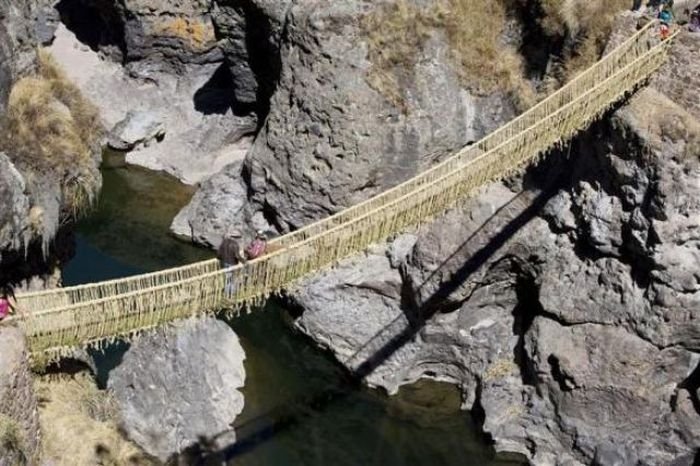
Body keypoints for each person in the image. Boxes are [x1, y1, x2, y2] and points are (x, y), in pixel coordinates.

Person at [218, 231, 246, 298]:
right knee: (232, 279)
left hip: (225, 263)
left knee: (227, 278)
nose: (238, 239)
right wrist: (244, 261)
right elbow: (237, 256)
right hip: (232, 264)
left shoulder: (223, 243)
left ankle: (226, 293)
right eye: (237, 238)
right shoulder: (235, 244)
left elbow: (219, 254)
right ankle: (231, 294)